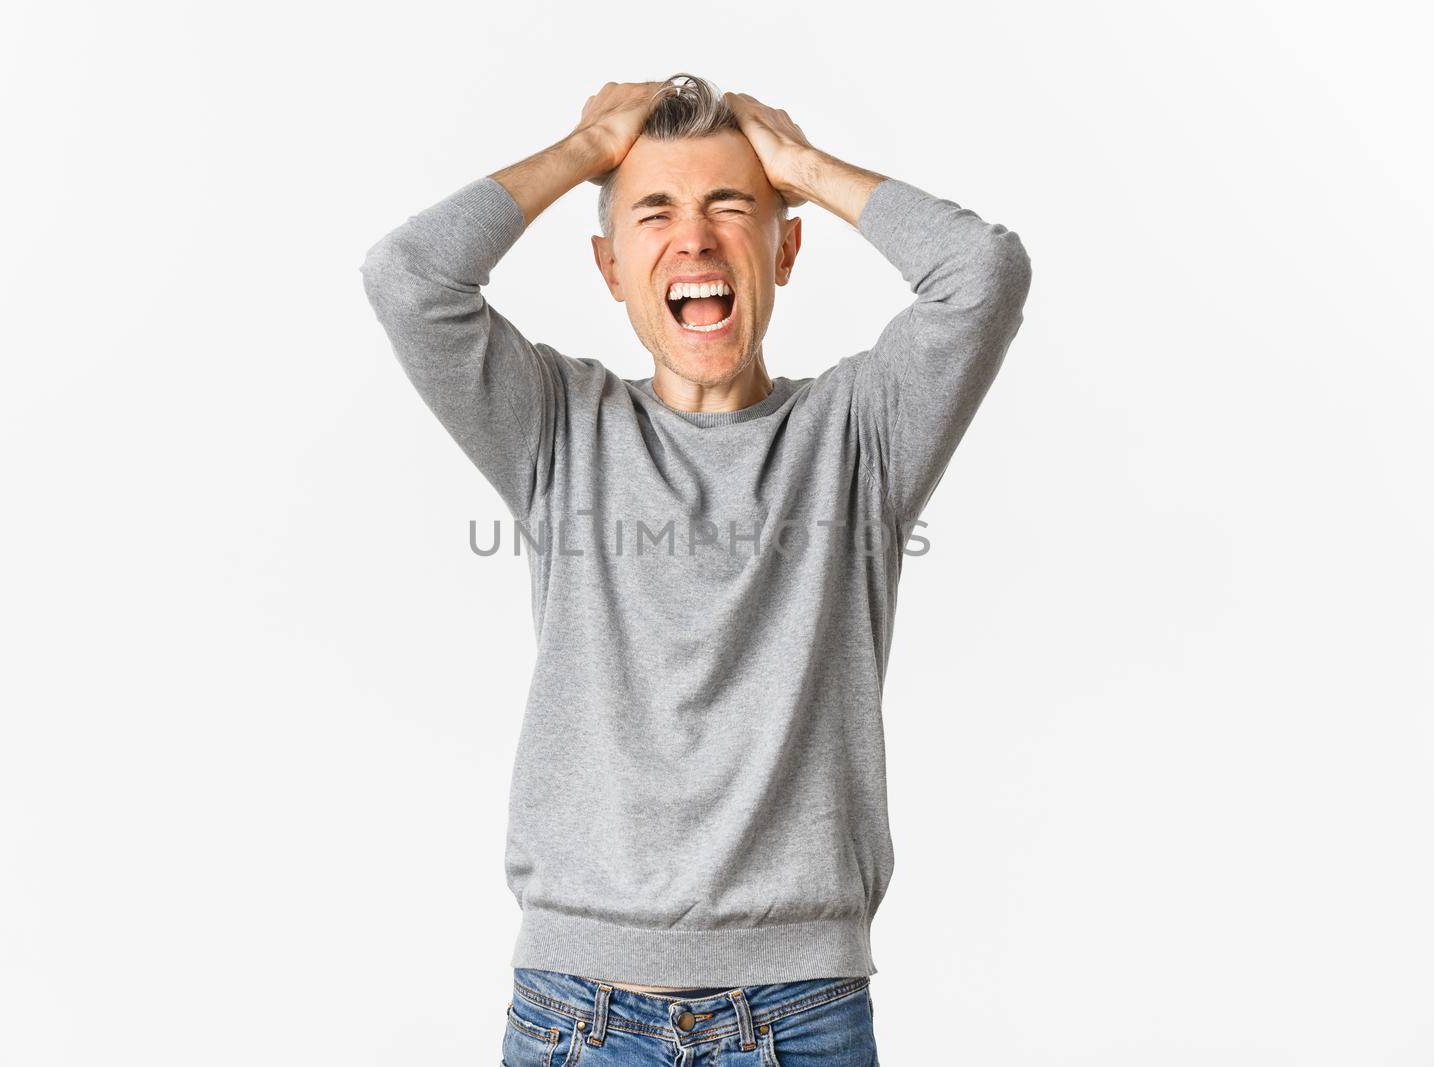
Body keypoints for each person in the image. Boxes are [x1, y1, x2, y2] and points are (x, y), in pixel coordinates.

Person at [359, 72, 1031, 1066]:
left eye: (732, 208)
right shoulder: (556, 425)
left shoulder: (859, 436)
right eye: (654, 213)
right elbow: (408, 277)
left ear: (784, 247)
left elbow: (982, 271)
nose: (697, 240)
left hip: (802, 1014)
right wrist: (585, 150)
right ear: (612, 268)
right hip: (575, 1015)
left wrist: (802, 167)